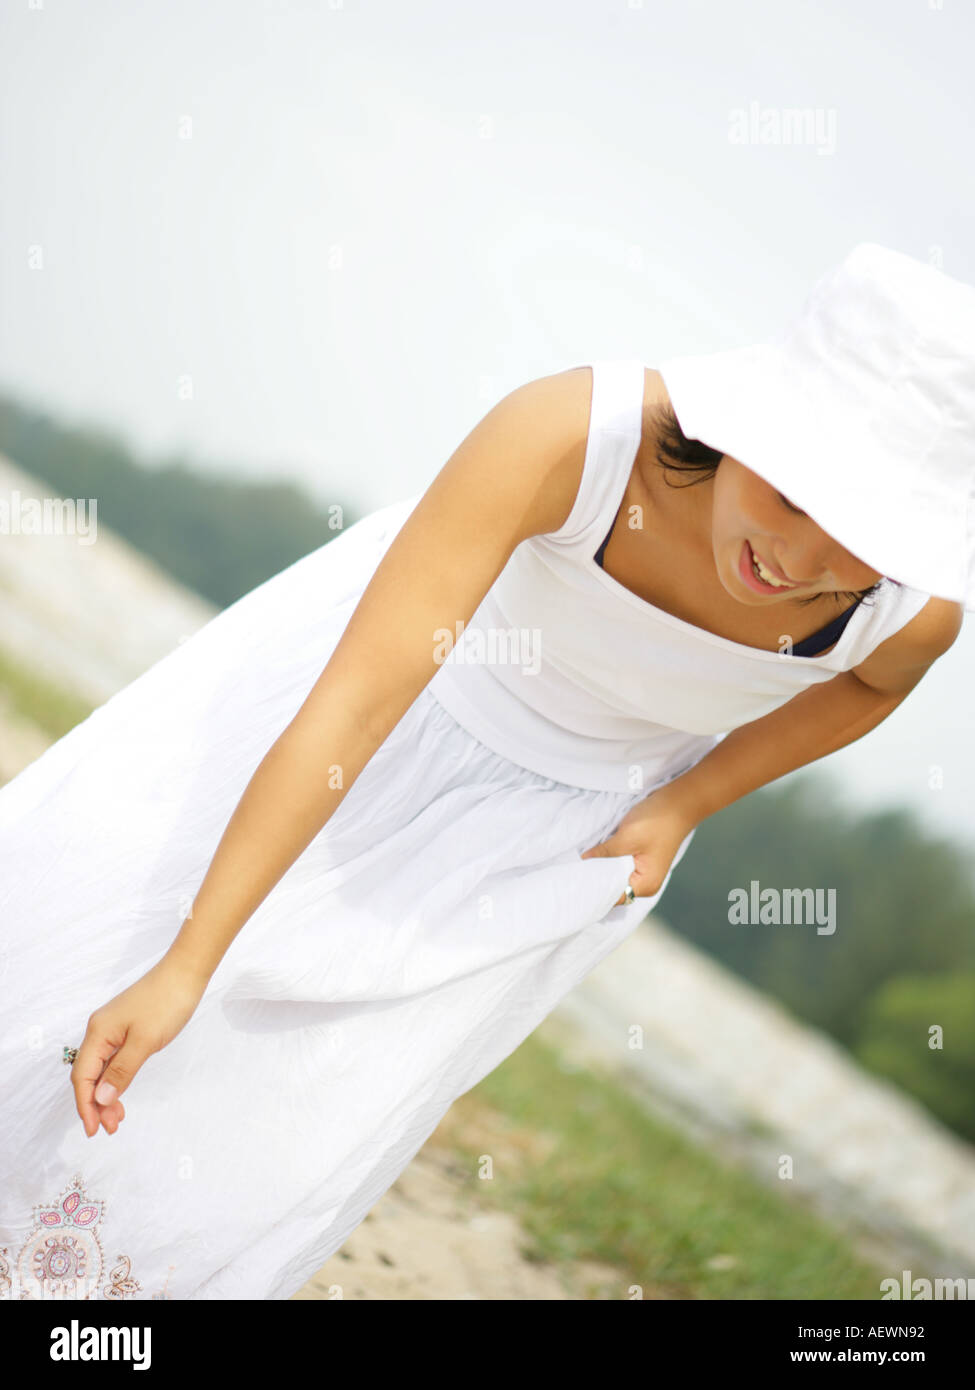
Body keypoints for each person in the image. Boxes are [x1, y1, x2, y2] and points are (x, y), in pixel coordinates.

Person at [0, 242, 971, 1301]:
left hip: (541, 839)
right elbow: (354, 706)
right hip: (375, 714)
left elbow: (868, 691)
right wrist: (187, 960)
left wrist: (689, 801)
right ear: (747, 424)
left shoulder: (908, 613)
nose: (799, 559)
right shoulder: (571, 435)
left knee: (281, 1118)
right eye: (794, 492)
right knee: (91, 954)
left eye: (862, 534)